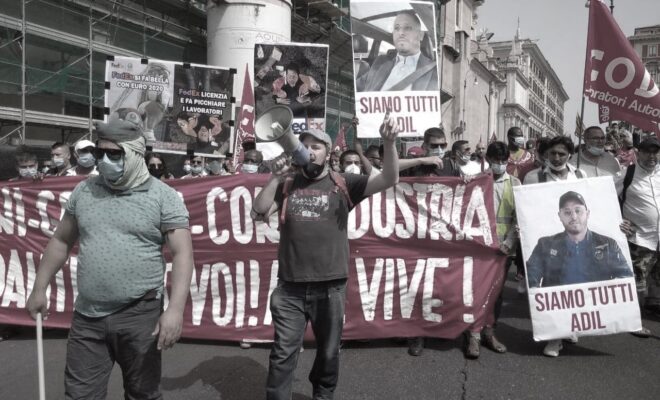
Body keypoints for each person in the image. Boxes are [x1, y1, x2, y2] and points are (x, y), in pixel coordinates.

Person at [26, 118, 194, 399]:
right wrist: (39, 288)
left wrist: (175, 310)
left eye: (113, 154)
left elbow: (182, 254)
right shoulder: (84, 190)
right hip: (87, 316)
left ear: (134, 154)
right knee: (80, 394)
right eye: (99, 153)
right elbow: (61, 241)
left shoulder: (164, 197)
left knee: (142, 393)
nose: (104, 160)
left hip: (140, 315)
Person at [252, 113, 400, 400]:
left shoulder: (345, 182)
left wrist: (389, 142)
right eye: (303, 144)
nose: (308, 149)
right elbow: (258, 213)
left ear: (329, 152)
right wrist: (274, 178)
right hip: (290, 289)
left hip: (330, 286)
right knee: (282, 354)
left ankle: (323, 393)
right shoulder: (287, 184)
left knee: (329, 353)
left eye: (316, 145)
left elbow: (389, 179)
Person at [464, 141, 520, 359]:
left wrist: (509, 243)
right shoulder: (476, 181)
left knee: (495, 294)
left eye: (503, 161)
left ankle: (489, 331)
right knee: (475, 291)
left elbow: (518, 218)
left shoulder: (515, 183)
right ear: (487, 159)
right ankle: (473, 335)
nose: (500, 165)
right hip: (478, 247)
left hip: (502, 248)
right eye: (496, 161)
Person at [527, 190, 632, 289]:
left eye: (578, 211)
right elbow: (530, 277)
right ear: (560, 216)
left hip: (597, 306)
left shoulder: (608, 245)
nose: (573, 217)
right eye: (567, 212)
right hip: (559, 305)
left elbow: (625, 277)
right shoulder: (545, 245)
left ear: (588, 213)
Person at [617, 137, 660, 338]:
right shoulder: (627, 173)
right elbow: (605, 196)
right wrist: (617, 219)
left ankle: (653, 307)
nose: (652, 156)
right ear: (638, 152)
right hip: (639, 240)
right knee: (636, 285)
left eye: (655, 152)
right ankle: (634, 322)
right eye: (647, 152)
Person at [356, 10, 438, 92]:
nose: (401, 32)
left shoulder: (435, 72)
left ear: (420, 35)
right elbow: (355, 88)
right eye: (397, 28)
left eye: (407, 28)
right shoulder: (380, 62)